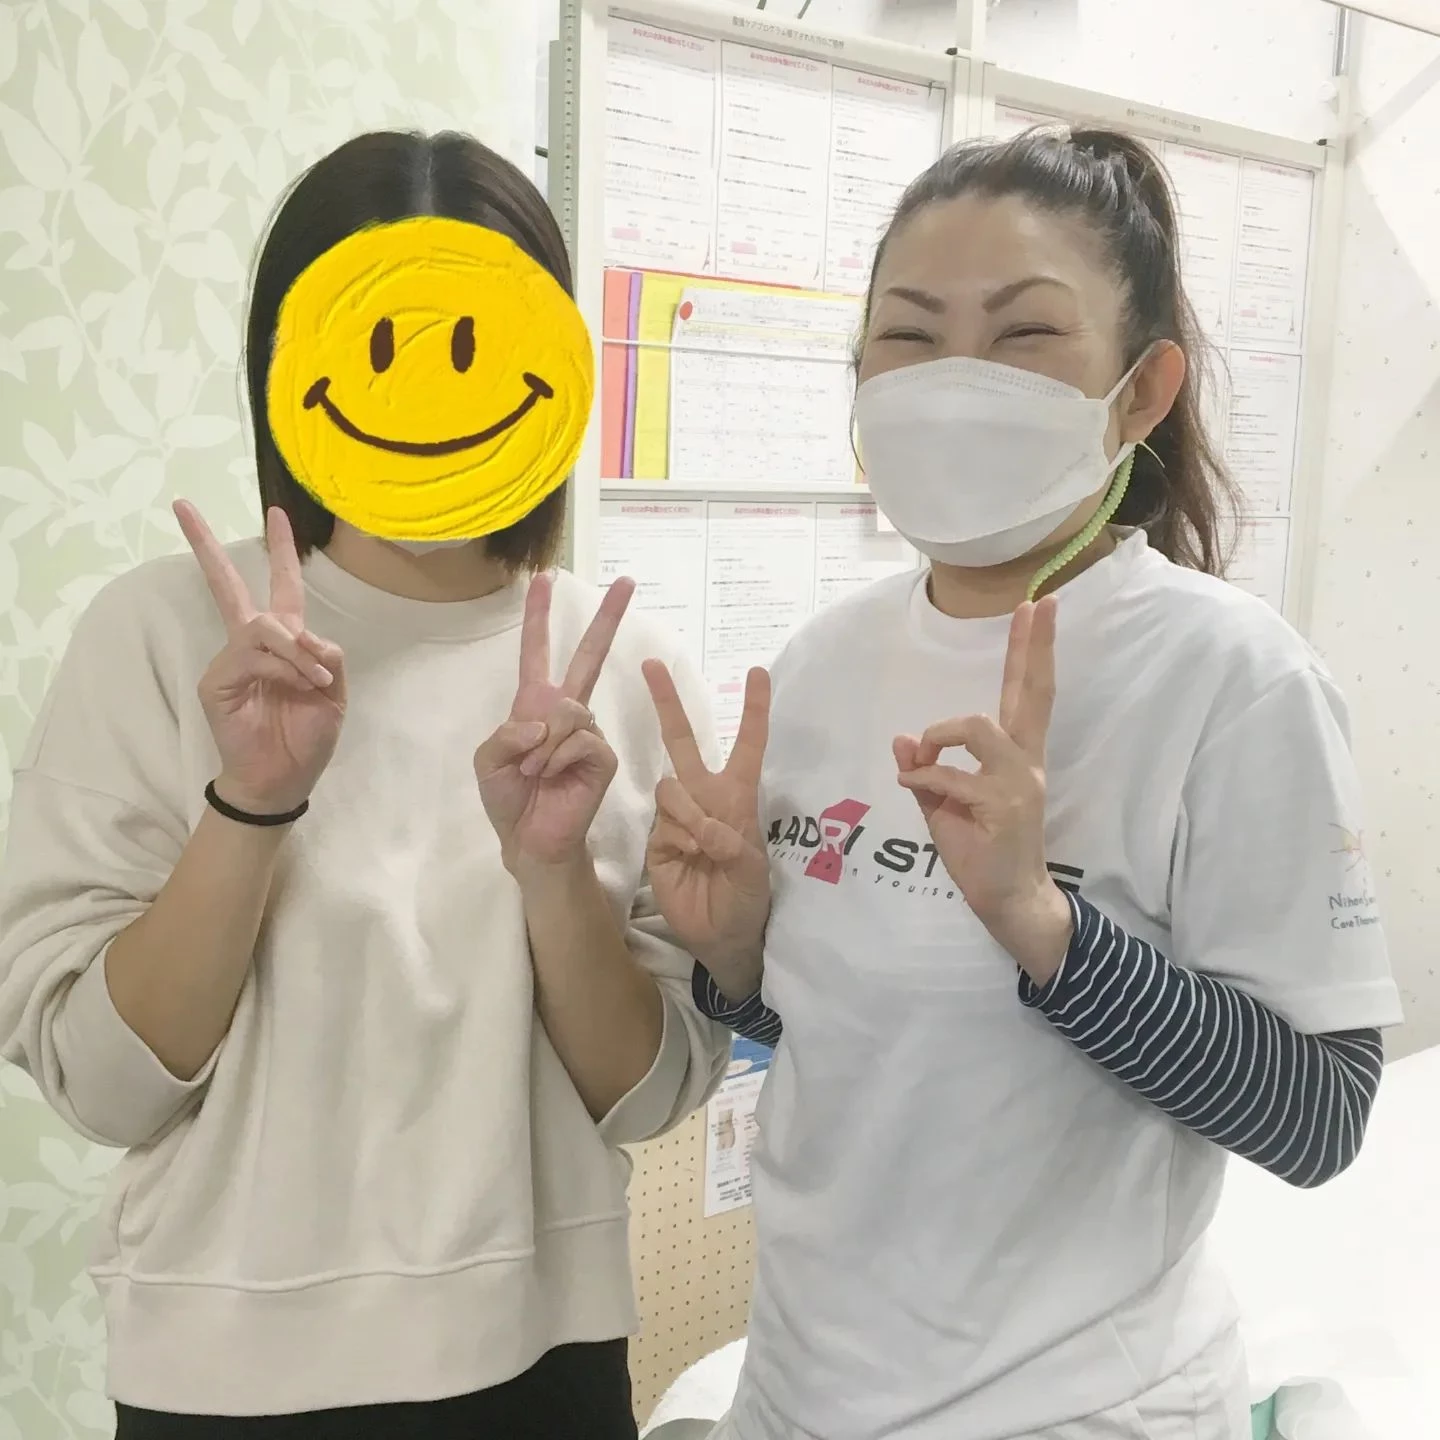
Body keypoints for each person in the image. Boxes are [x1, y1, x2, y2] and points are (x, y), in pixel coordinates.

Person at [641, 128, 1402, 1440]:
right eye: (909, 334)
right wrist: (733, 951)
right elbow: (844, 1033)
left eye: (1024, 334)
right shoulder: (823, 664)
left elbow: (1318, 1116)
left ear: (1142, 392)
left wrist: (1046, 928)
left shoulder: (1230, 678)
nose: (954, 383)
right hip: (797, 1397)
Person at [0, 130, 729, 1439]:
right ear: (290, 369)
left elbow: (647, 1094)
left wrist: (550, 872)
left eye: (473, 344)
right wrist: (252, 804)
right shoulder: (162, 636)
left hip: (546, 1362)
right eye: (383, 343)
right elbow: (100, 1085)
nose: (431, 390)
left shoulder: (621, 669)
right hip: (218, 1379)